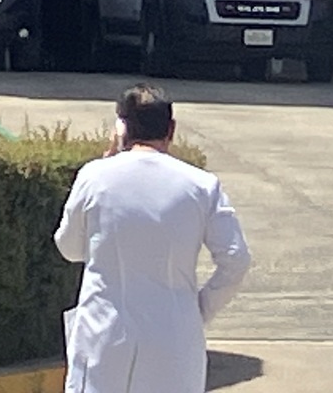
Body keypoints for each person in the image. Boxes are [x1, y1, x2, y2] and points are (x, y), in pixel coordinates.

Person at [54, 84, 251, 393]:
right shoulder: (202, 186)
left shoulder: (94, 176)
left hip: (104, 336)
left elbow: (69, 248)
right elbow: (236, 259)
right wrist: (199, 309)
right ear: (171, 129)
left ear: (121, 128)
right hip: (174, 338)